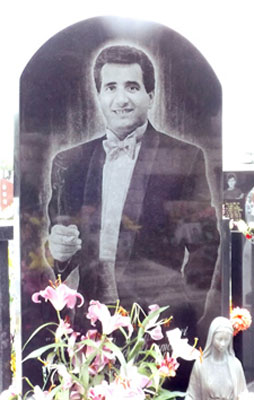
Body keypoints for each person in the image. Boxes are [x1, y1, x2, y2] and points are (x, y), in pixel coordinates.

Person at [47, 45, 219, 336]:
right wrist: (59, 253)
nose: (121, 99)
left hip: (158, 322)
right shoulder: (69, 162)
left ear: (150, 96)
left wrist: (186, 307)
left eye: (132, 87)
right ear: (99, 96)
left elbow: (205, 244)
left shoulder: (184, 157)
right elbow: (60, 247)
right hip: (90, 322)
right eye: (111, 87)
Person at [185, 316, 247, 399]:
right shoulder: (200, 365)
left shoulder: (235, 365)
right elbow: (192, 395)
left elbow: (243, 393)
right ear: (212, 338)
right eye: (219, 339)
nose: (223, 344)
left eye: (226, 340)